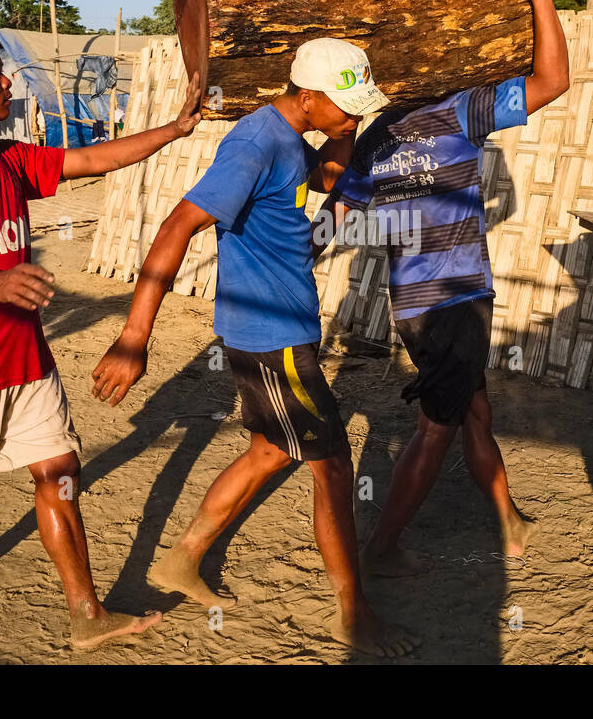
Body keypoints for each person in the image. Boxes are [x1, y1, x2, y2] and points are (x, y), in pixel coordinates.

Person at [0, 20, 204, 656]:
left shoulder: (6, 157)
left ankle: (86, 614)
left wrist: (175, 128)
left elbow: (93, 158)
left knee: (59, 473)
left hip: (27, 363)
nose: (6, 81)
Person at [90, 38, 417, 658]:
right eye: (346, 109)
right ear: (308, 96)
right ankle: (353, 615)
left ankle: (182, 560)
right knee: (333, 466)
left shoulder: (292, 140)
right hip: (275, 341)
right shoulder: (254, 142)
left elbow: (319, 176)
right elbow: (177, 226)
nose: (355, 121)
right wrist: (134, 337)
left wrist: (348, 138)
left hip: (280, 329)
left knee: (269, 451)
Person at [311, 0, 567, 575]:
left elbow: (333, 209)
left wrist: (300, 249)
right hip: (455, 302)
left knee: (475, 408)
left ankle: (509, 521)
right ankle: (383, 547)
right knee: (437, 426)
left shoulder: (374, 139)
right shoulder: (460, 111)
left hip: (413, 308)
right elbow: (553, 82)